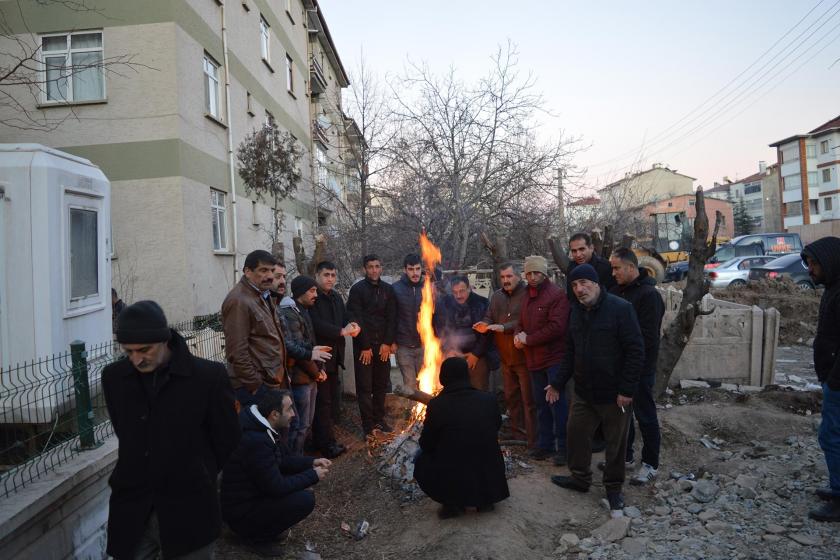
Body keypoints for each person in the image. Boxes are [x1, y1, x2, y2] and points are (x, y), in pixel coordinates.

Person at [103, 301, 240, 559]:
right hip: (133, 505)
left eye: (144, 350)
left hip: (190, 505)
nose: (136, 359)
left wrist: (199, 470)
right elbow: (126, 431)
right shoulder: (114, 378)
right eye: (128, 351)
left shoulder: (208, 377)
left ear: (164, 340)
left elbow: (227, 437)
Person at [549, 264, 644, 517]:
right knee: (575, 433)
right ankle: (580, 478)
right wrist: (558, 382)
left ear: (596, 284)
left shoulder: (620, 309)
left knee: (616, 444)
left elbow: (636, 351)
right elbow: (570, 352)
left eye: (584, 283)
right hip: (584, 391)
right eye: (574, 285)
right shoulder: (575, 313)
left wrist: (626, 389)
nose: (580, 290)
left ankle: (613, 489)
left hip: (615, 395)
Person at [221, 390, 330, 557]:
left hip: (249, 500)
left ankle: (261, 527)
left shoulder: (259, 428)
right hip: (241, 513)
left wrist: (311, 462)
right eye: (289, 409)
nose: (293, 414)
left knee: (301, 492)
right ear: (274, 414)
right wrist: (312, 476)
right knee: (305, 499)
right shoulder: (257, 440)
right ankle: (255, 537)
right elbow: (276, 486)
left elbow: (282, 461)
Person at [413, 357, 510, 519]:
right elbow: (496, 427)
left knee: (420, 457)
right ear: (466, 375)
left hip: (454, 472)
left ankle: (451, 503)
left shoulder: (437, 405)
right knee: (483, 452)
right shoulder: (488, 399)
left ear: (443, 377)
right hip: (486, 467)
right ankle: (485, 499)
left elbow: (426, 443)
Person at [609, 247, 665, 485]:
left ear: (631, 268)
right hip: (618, 367)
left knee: (645, 415)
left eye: (616, 268)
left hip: (640, 368)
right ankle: (627, 456)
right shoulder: (616, 292)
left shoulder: (648, 295)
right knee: (623, 416)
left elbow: (647, 339)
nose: (613, 273)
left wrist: (634, 365)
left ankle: (651, 463)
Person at [513, 255, 569, 464]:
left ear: (544, 273)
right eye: (529, 273)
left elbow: (557, 328)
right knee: (541, 404)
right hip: (534, 359)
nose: (533, 277)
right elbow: (521, 321)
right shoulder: (527, 294)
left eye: (536, 272)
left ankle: (564, 449)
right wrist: (518, 335)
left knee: (558, 404)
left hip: (553, 359)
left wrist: (528, 339)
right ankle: (545, 446)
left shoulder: (556, 295)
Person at [474, 262, 536, 449]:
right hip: (505, 358)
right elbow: (489, 316)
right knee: (510, 397)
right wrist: (483, 325)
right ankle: (517, 432)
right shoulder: (497, 296)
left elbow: (526, 321)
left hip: (524, 357)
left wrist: (503, 327)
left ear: (519, 276)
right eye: (503, 277)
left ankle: (533, 438)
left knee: (529, 399)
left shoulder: (528, 295)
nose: (506, 281)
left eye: (509, 277)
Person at [801, 236, 840, 522]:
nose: (810, 269)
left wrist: (833, 381)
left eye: (815, 263)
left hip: (838, 382)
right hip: (832, 378)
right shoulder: (833, 288)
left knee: (832, 436)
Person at [222, 250, 287, 408]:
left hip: (271, 380)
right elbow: (237, 352)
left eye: (272, 270)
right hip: (255, 387)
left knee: (286, 427)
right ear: (248, 272)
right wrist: (256, 386)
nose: (270, 276)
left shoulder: (260, 294)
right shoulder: (239, 300)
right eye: (263, 270)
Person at [310, 261, 360, 458]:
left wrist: (352, 324)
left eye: (333, 275)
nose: (330, 278)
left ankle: (327, 439)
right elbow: (316, 325)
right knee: (323, 403)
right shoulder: (313, 298)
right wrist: (340, 331)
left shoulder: (337, 297)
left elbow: (345, 317)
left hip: (335, 357)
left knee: (330, 401)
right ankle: (325, 445)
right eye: (326, 275)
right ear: (317, 276)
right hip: (319, 358)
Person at [346, 254, 397, 435]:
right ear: (364, 269)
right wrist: (365, 345)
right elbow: (355, 318)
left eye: (377, 266)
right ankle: (368, 426)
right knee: (365, 387)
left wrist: (387, 343)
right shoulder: (357, 290)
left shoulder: (388, 290)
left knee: (381, 385)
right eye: (370, 267)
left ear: (381, 267)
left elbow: (392, 318)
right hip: (364, 348)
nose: (374, 270)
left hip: (382, 346)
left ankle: (379, 420)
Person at [279, 275, 330, 454]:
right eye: (312, 291)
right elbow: (299, 351)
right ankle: (295, 464)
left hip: (310, 377)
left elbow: (311, 344)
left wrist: (320, 369)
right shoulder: (290, 314)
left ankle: (299, 460)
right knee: (298, 426)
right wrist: (316, 372)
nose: (316, 294)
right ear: (301, 292)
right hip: (301, 379)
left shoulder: (304, 311)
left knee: (306, 425)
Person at [434, 276, 491, 390]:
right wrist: (449, 349)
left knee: (478, 388)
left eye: (462, 291)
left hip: (477, 355)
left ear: (469, 288)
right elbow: (439, 329)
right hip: (453, 355)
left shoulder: (482, 303)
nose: (459, 296)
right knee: (455, 389)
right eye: (455, 292)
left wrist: (475, 354)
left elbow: (487, 333)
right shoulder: (444, 303)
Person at [392, 253, 424, 391]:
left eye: (417, 269)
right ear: (405, 270)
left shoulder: (428, 287)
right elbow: (391, 317)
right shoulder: (395, 289)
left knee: (427, 382)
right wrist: (392, 341)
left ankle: (429, 412)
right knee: (410, 386)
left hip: (425, 345)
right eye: (411, 269)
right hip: (404, 345)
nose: (415, 273)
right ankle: (414, 412)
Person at [566, 233, 615, 300]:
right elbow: (571, 296)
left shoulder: (605, 267)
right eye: (574, 251)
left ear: (591, 248)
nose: (578, 255)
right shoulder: (571, 267)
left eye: (582, 249)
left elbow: (612, 296)